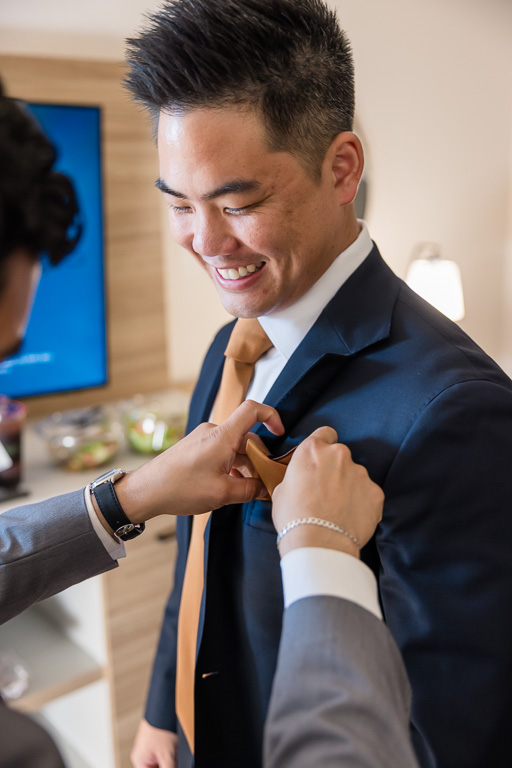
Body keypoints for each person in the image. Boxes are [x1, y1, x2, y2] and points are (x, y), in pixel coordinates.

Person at [124, 1, 512, 767]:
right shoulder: (230, 347)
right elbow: (198, 556)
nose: (205, 242)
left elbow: (443, 740)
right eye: (179, 204)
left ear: (341, 170)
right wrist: (164, 709)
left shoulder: (457, 411)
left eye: (238, 204)